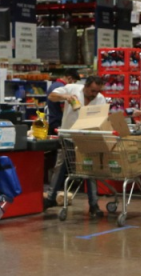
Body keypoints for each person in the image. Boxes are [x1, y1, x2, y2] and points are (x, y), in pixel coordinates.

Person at [43, 76, 107, 217]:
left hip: (87, 139)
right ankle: (50, 198)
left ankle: (94, 204)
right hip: (68, 136)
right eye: (92, 90)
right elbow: (51, 96)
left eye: (97, 91)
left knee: (89, 171)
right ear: (85, 86)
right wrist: (65, 96)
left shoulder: (100, 99)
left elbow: (102, 118)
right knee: (60, 167)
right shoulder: (72, 89)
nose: (94, 94)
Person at [45, 70, 81, 135]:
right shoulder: (62, 88)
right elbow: (63, 108)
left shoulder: (54, 85)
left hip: (52, 119)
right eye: (74, 81)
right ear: (69, 78)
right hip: (58, 122)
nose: (73, 84)